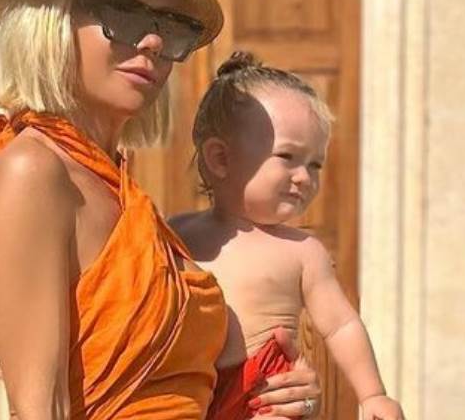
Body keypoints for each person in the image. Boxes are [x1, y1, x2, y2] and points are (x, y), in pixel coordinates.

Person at [0, 0, 320, 420]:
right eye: (124, 16)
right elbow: (41, 407)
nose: (153, 41)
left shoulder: (120, 190)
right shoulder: (33, 172)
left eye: (170, 26)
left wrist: (267, 393)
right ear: (52, 20)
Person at [170, 52, 406, 420]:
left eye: (315, 164)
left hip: (265, 390)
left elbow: (341, 324)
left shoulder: (303, 251)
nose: (304, 177)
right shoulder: (176, 233)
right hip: (187, 388)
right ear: (220, 159)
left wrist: (373, 394)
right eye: (287, 156)